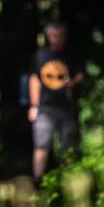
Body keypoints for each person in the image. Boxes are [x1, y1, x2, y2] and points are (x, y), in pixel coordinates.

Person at [27, 20, 84, 186]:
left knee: (68, 148)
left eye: (60, 36)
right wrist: (34, 106)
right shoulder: (41, 55)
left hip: (67, 109)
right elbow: (34, 79)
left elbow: (81, 75)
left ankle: (69, 186)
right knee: (41, 144)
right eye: (53, 36)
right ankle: (38, 184)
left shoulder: (72, 55)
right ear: (48, 36)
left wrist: (72, 83)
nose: (56, 39)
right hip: (45, 109)